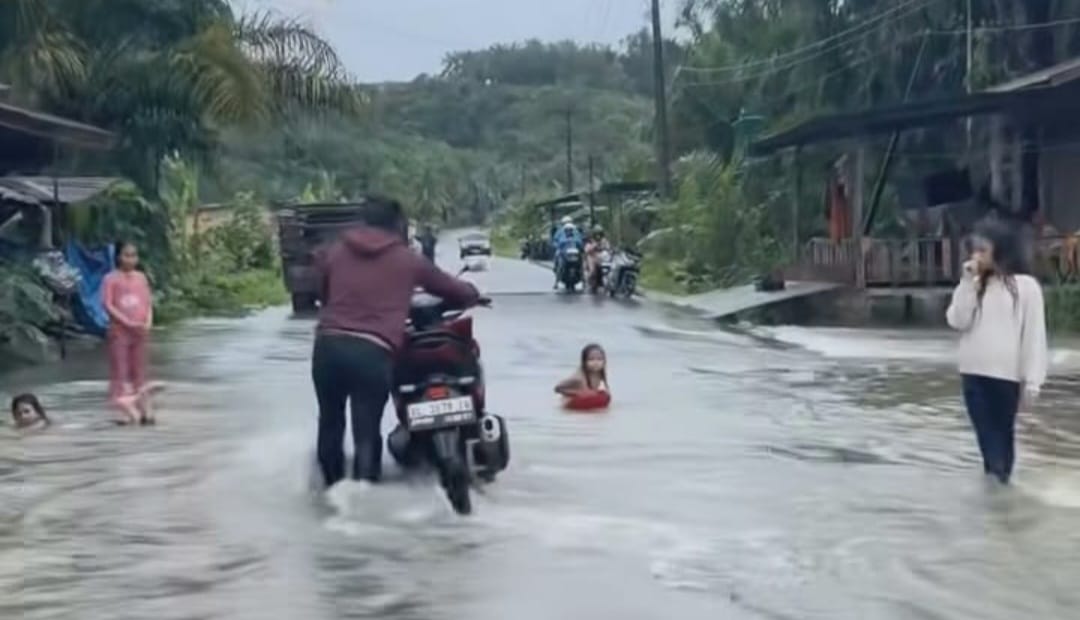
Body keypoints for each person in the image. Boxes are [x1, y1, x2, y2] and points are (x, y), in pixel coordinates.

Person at [311, 195, 484, 488]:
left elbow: (323, 295)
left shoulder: (336, 252)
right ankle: (362, 499)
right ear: (397, 224)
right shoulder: (406, 258)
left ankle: (331, 497)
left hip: (328, 346)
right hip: (372, 350)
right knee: (365, 430)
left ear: (362, 221)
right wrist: (472, 292)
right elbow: (452, 289)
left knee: (330, 424)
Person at [946, 218, 1047, 485]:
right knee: (987, 440)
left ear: (1001, 249)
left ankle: (1001, 491)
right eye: (975, 249)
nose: (976, 255)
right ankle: (996, 493)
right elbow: (957, 320)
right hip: (972, 375)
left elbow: (1033, 336)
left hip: (1006, 377)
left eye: (983, 249)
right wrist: (967, 283)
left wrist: (1033, 380)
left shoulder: (1026, 287)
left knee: (1003, 439)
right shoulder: (975, 284)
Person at [102, 241, 155, 425]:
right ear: (118, 257)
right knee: (121, 371)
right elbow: (107, 305)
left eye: (134, 255)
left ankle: (144, 406)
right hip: (120, 332)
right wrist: (127, 322)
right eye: (127, 255)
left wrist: (148, 321)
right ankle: (122, 410)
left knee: (140, 371)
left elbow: (148, 303)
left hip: (140, 332)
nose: (131, 259)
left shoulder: (141, 278)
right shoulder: (110, 278)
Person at [552, 216, 582, 288]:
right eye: (566, 223)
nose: (569, 230)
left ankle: (584, 280)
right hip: (563, 253)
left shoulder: (576, 232)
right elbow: (555, 241)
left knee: (582, 263)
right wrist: (558, 246)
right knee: (560, 264)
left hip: (574, 253)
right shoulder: (560, 232)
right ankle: (556, 282)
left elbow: (580, 242)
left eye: (569, 222)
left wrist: (580, 247)